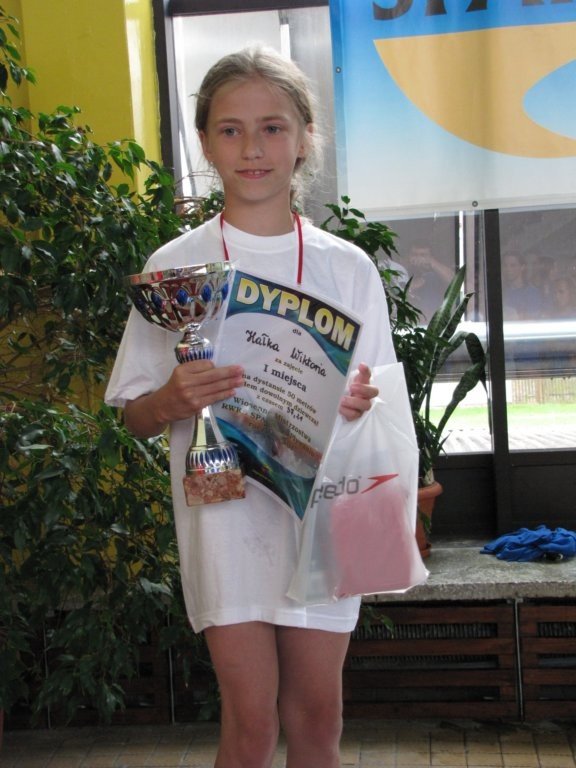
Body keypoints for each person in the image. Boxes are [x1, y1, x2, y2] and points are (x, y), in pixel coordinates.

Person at [106, 46, 396, 768]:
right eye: (231, 130)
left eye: (272, 127)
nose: (252, 148)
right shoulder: (174, 267)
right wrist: (170, 400)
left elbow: (380, 405)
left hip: (322, 519)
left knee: (319, 723)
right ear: (205, 143)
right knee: (249, 725)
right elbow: (133, 415)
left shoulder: (346, 268)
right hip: (225, 522)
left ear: (303, 138)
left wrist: (359, 403)